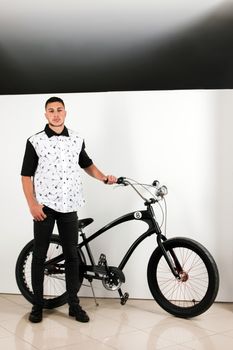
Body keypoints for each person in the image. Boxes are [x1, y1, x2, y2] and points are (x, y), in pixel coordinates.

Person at [21, 96, 117, 323]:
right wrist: (32, 204)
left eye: (59, 110)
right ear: (45, 114)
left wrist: (104, 178)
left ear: (66, 113)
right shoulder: (35, 141)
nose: (56, 114)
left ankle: (74, 304)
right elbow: (26, 176)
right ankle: (37, 305)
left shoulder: (76, 140)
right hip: (44, 206)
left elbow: (87, 164)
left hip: (69, 205)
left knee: (73, 256)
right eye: (51, 110)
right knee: (40, 256)